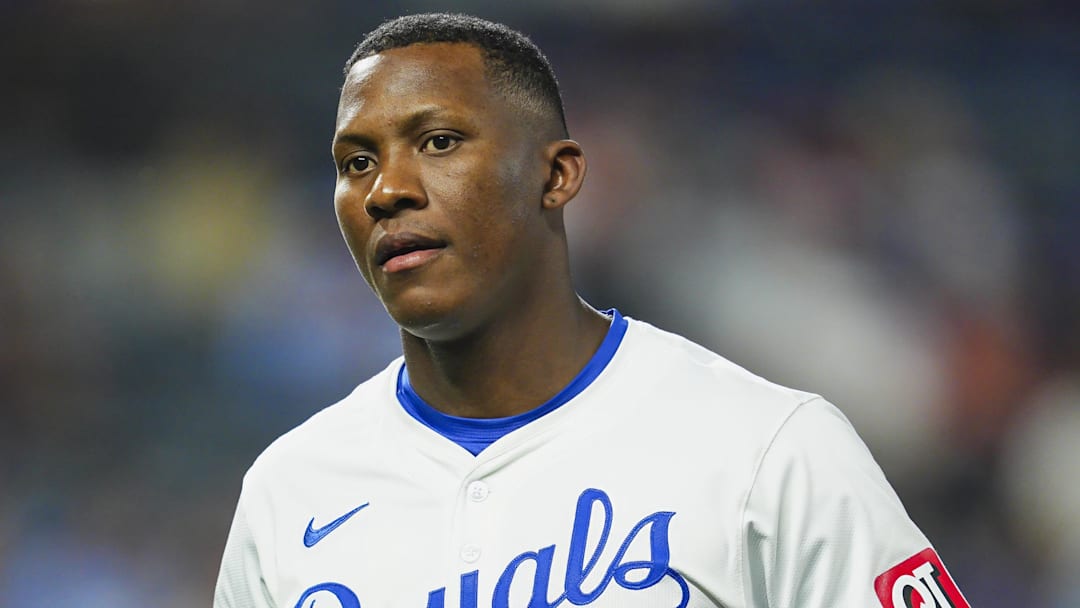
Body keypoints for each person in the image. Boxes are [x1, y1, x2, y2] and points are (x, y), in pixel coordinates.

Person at [214, 13, 969, 608]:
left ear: (557, 175)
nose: (387, 190)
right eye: (357, 163)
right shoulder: (290, 489)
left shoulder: (768, 450)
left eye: (439, 142)